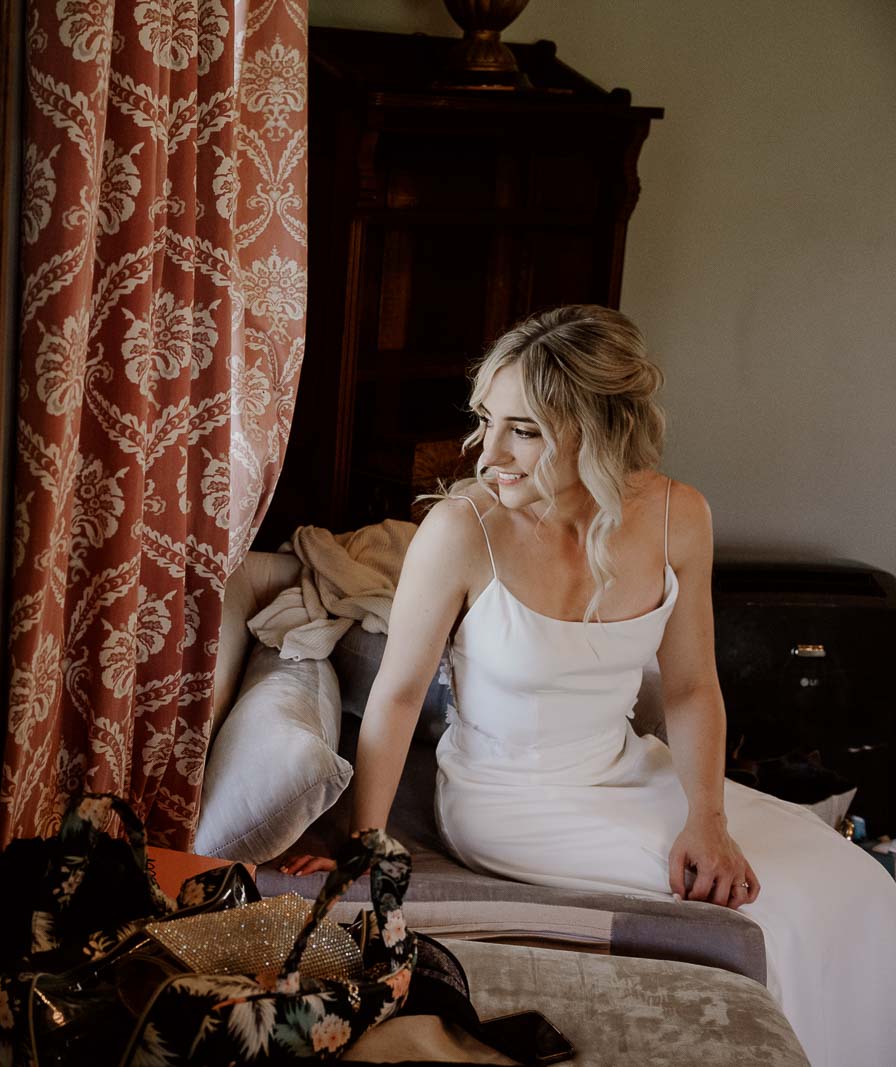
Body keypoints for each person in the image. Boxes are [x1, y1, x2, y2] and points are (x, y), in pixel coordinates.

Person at [280, 305, 896, 1065]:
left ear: (598, 430)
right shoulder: (461, 530)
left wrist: (708, 816)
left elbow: (694, 687)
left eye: (525, 430)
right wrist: (367, 840)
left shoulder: (680, 516)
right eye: (486, 419)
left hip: (625, 766)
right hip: (505, 795)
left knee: (853, 878)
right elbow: (400, 692)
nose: (488, 454)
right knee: (771, 906)